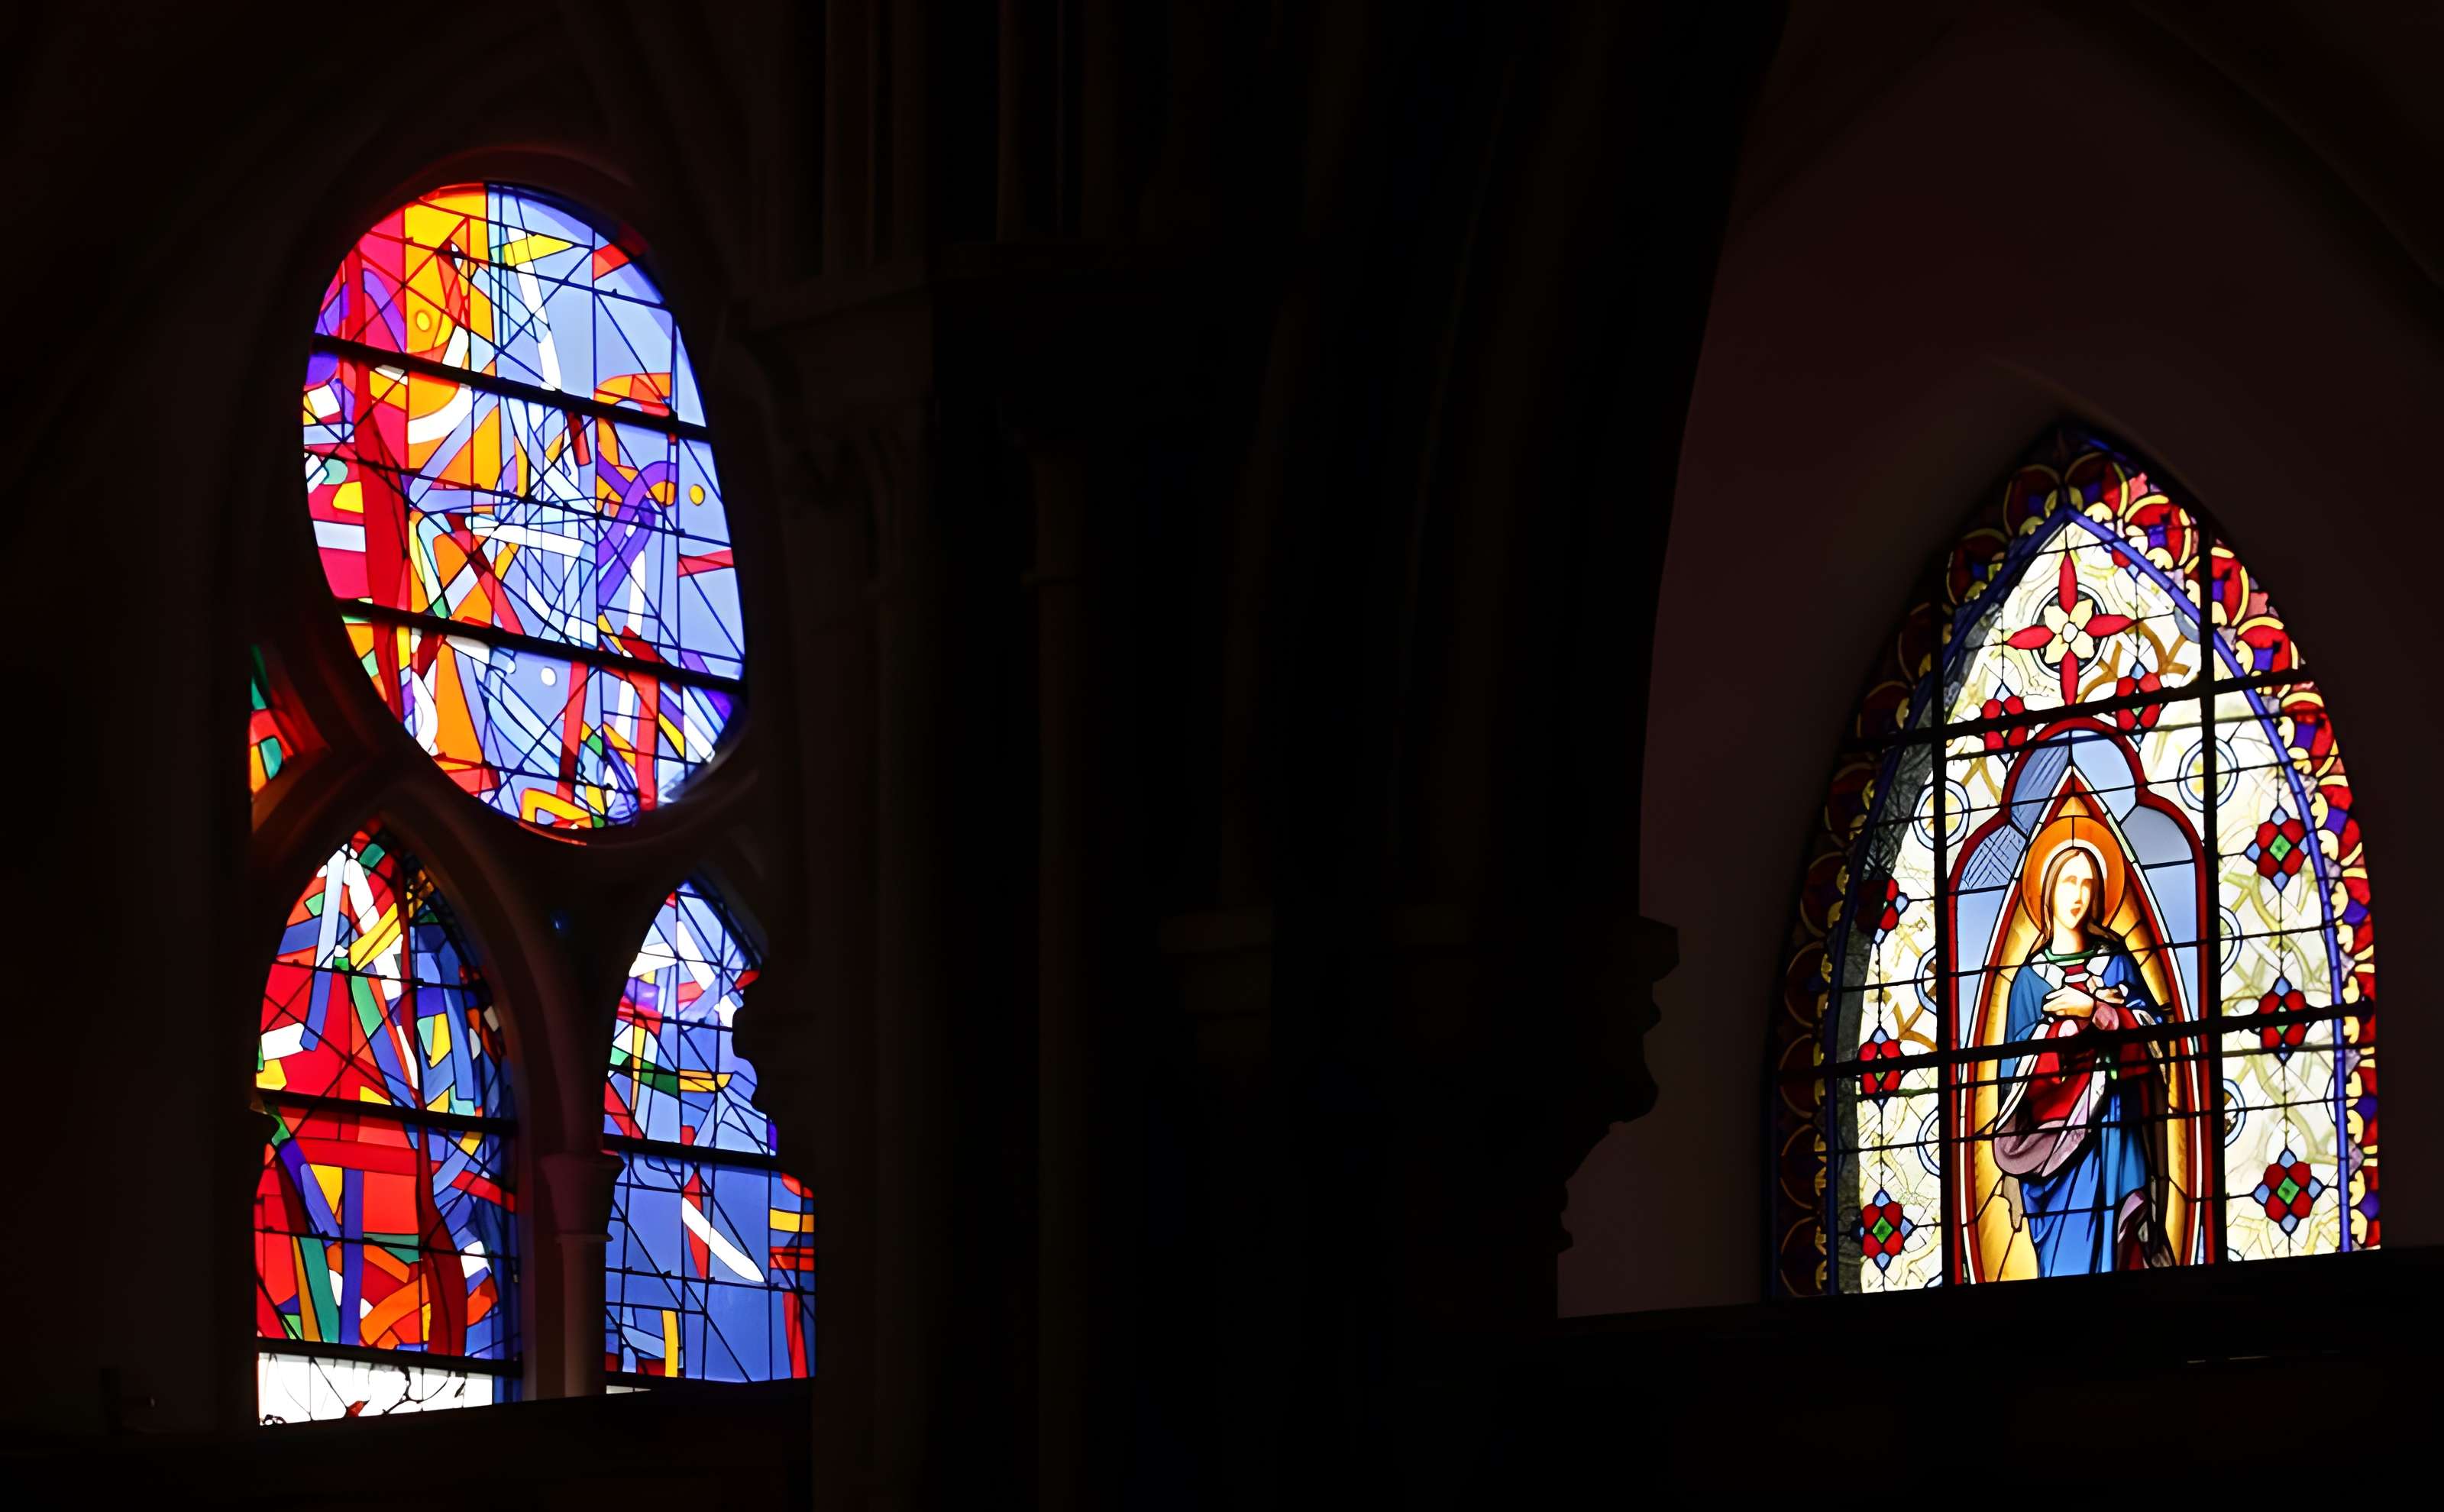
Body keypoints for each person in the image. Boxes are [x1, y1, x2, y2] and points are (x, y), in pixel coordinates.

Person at [1990, 841, 2174, 1271]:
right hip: (2052, 1154)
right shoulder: (2030, 982)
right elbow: (2008, 1080)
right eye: (2069, 882)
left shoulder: (2116, 964)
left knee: (2122, 1244)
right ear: (2048, 891)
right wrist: (2061, 1033)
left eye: (2088, 884)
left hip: (2115, 1128)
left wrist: (2098, 1013)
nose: (2078, 895)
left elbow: (2157, 1038)